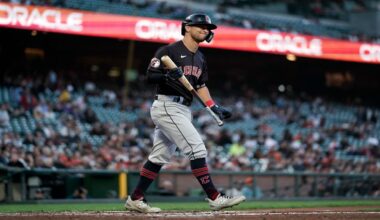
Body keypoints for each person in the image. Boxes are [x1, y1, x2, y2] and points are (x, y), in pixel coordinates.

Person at [125, 13, 245, 213]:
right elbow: (150, 76)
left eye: (208, 28)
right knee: (197, 149)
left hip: (183, 108)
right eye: (201, 26)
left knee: (159, 156)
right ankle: (214, 197)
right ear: (187, 27)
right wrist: (166, 75)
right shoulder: (169, 50)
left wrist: (213, 106)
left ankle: (135, 198)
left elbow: (200, 86)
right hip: (166, 105)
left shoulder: (200, 57)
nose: (206, 30)